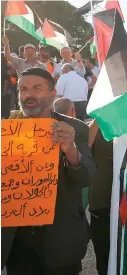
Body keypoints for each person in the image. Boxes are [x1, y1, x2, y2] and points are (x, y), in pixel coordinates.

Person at [2, 68, 95, 274]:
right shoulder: (7, 130)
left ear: (53, 94)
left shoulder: (75, 128)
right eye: (23, 89)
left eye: (37, 88)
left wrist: (70, 149)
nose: (29, 94)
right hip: (18, 242)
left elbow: (85, 177)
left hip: (60, 240)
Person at [87, 119, 113, 275]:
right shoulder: (94, 126)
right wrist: (99, 117)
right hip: (101, 200)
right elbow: (84, 145)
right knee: (103, 250)